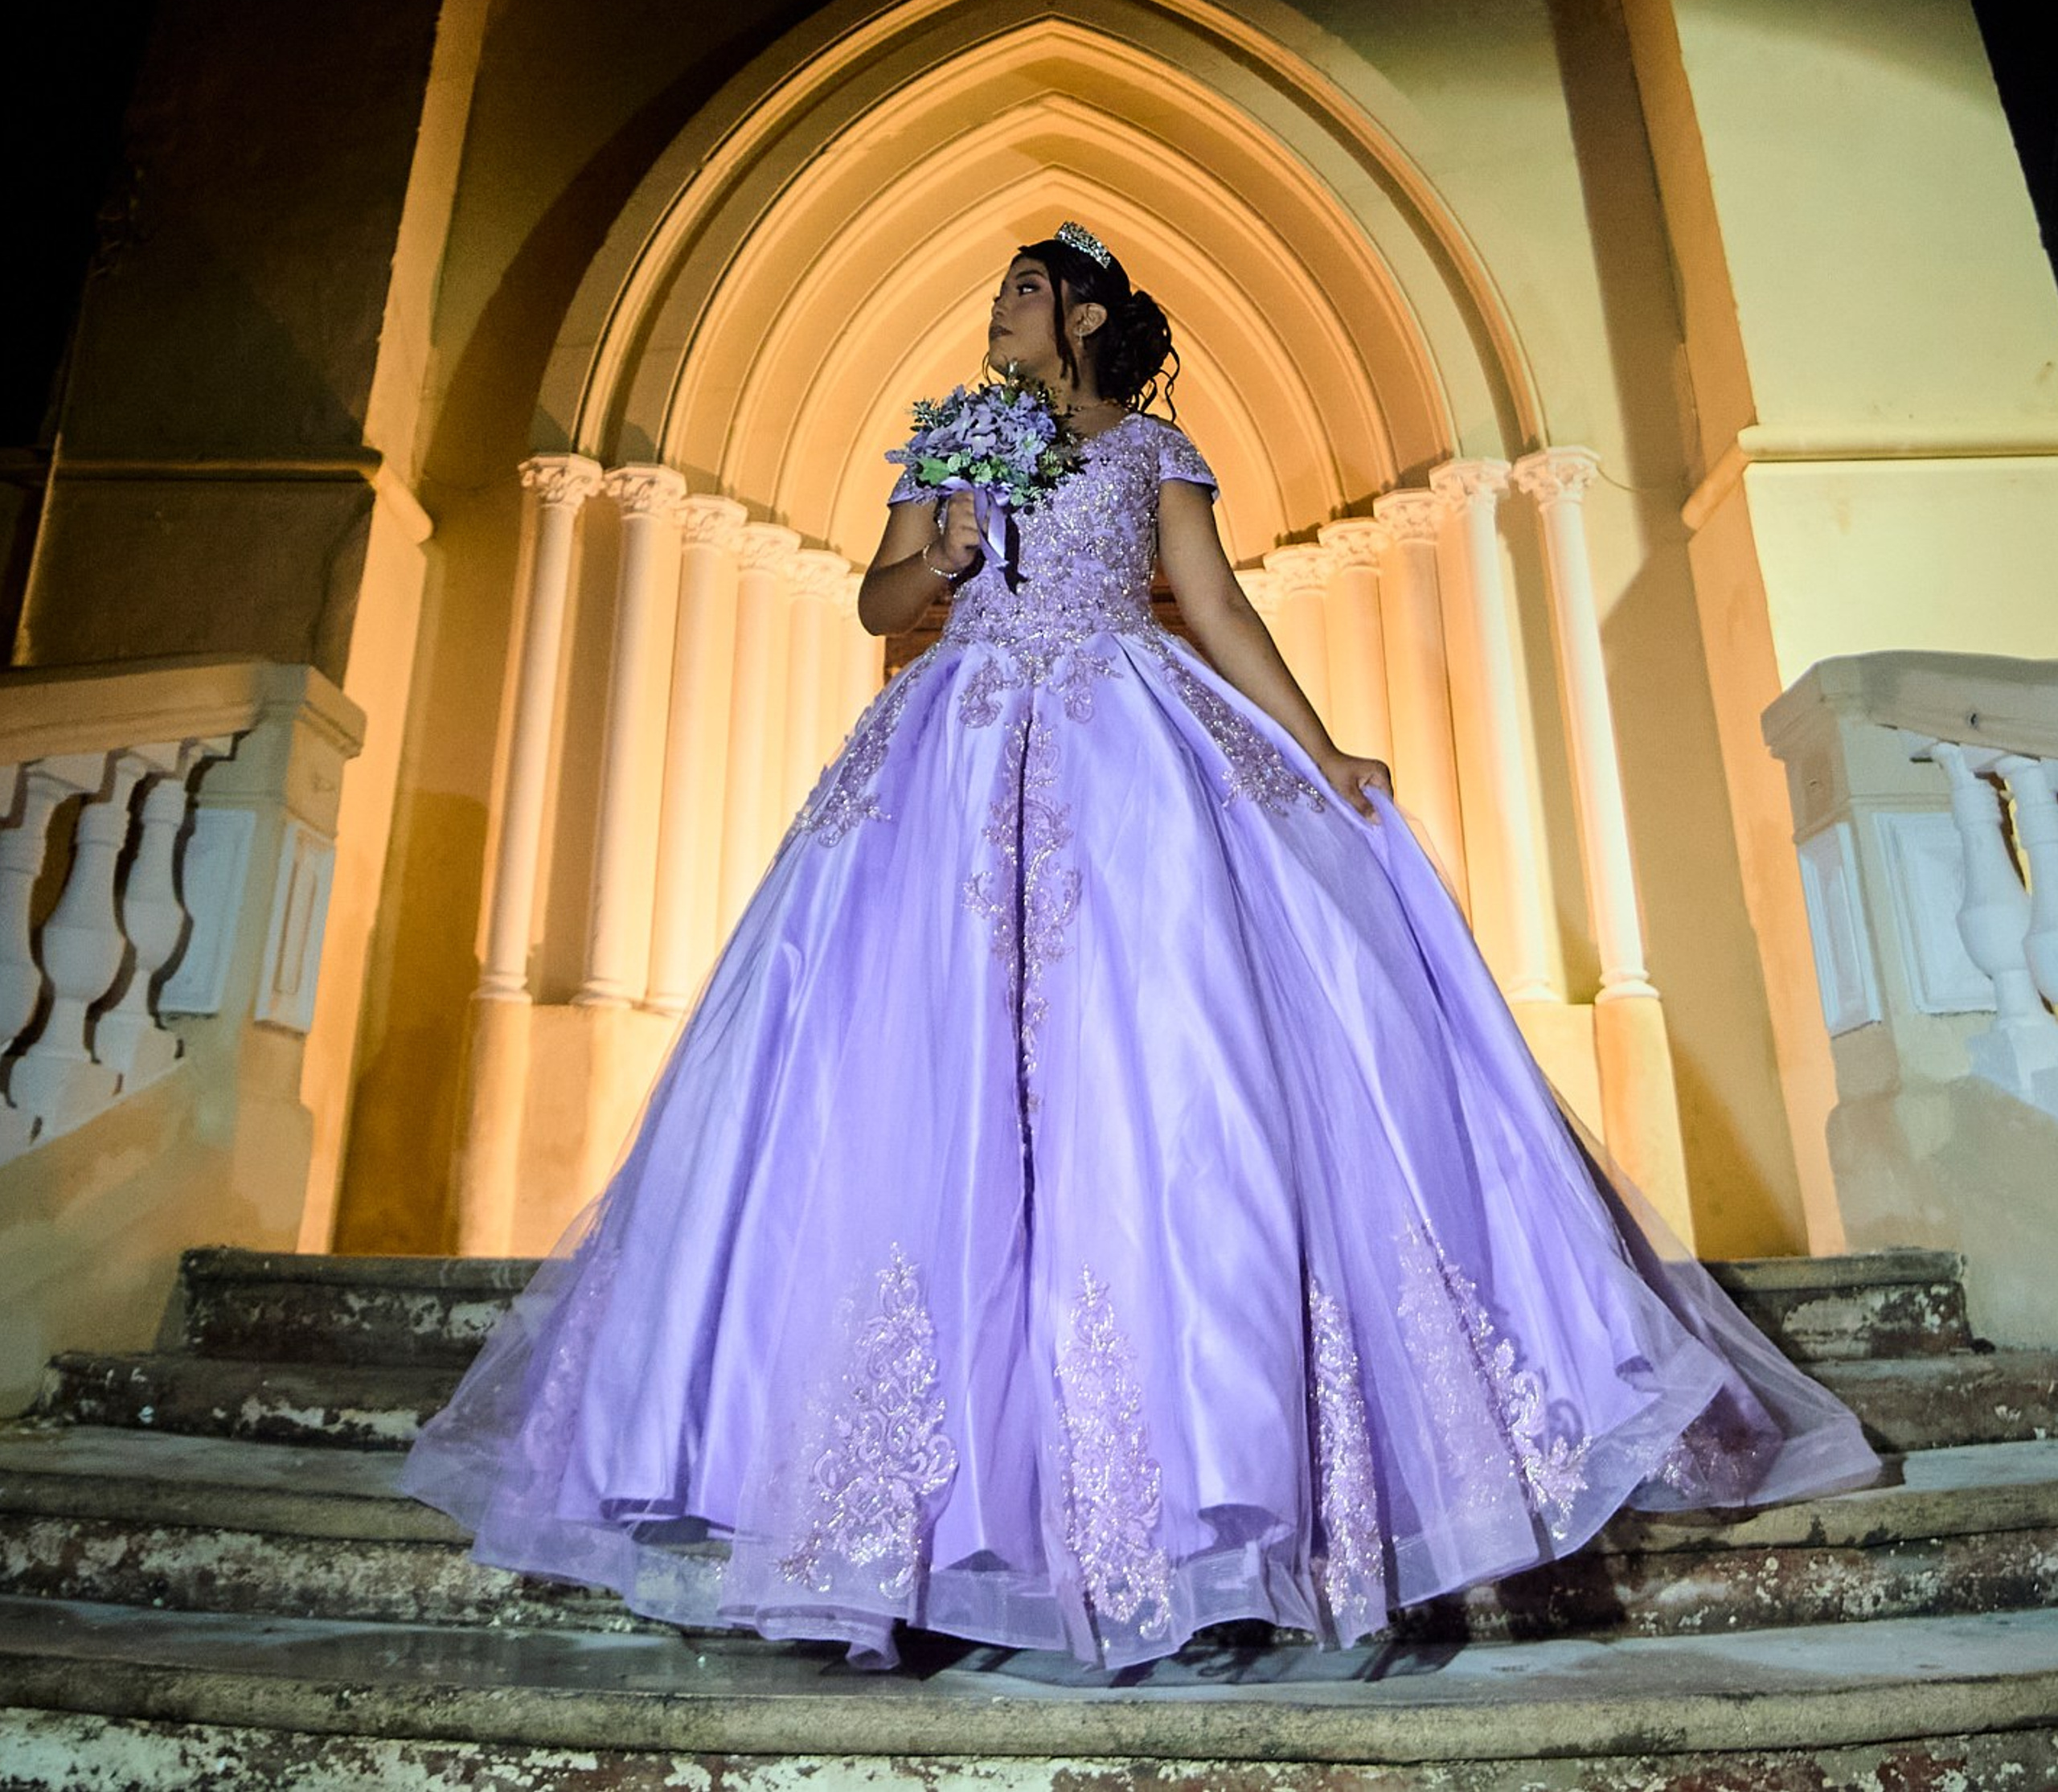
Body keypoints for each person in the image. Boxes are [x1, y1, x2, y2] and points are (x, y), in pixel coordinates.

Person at [400, 219, 1877, 1670]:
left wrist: (1319, 747)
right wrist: (943, 563)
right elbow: (878, 598)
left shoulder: (1155, 458)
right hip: (953, 764)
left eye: (1027, 290)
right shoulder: (951, 444)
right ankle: (893, 1524)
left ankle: (1189, 1520)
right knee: (924, 1088)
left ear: (1089, 319)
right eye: (1004, 288)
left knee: (1162, 1079)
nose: (1002, 305)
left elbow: (1219, 608)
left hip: (1123, 761)